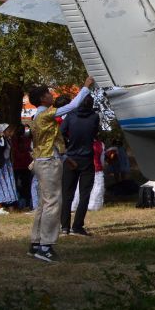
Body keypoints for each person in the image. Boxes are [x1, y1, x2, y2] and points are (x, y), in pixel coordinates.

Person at [26, 76, 94, 263]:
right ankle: (45, 247)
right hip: (48, 163)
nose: (51, 95)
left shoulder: (36, 117)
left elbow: (50, 141)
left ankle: (36, 243)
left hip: (43, 161)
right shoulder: (46, 114)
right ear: (42, 99)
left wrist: (66, 158)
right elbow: (72, 106)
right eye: (48, 93)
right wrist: (85, 87)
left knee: (43, 203)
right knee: (53, 203)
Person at [60, 93, 100, 236]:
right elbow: (95, 132)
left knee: (67, 194)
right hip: (87, 158)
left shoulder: (70, 116)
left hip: (71, 158)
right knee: (84, 194)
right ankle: (77, 226)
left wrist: (68, 144)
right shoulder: (95, 117)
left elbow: (61, 132)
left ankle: (64, 226)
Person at [0, 123, 19, 215]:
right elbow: (1, 147)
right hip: (1, 166)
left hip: (7, 165)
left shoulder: (7, 140)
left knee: (9, 184)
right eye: (8, 131)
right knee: (2, 185)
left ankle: (10, 206)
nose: (10, 132)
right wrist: (2, 136)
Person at [11, 123, 32, 208]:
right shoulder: (27, 140)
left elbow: (13, 152)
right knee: (26, 185)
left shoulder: (13, 140)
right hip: (26, 165)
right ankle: (26, 202)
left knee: (16, 185)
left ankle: (17, 203)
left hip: (16, 165)